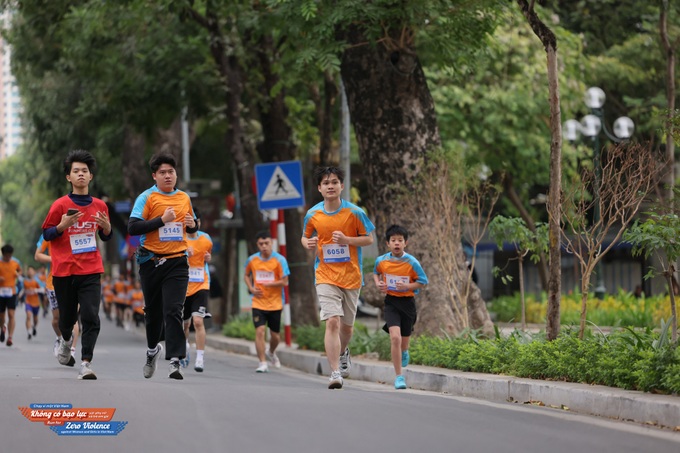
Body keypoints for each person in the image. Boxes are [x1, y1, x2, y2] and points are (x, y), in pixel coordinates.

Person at [302, 166, 375, 389]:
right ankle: (335, 372)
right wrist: (309, 243)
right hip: (324, 274)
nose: (330, 186)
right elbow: (304, 238)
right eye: (326, 183)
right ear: (319, 188)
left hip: (351, 276)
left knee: (347, 328)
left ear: (342, 186)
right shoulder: (313, 214)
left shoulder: (355, 212)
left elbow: (368, 239)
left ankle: (343, 353)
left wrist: (347, 240)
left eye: (334, 182)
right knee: (332, 321)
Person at [41, 149, 112, 379]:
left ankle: (86, 363)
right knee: (67, 319)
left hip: (91, 269)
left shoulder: (100, 206)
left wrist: (108, 229)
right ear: (68, 177)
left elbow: (105, 235)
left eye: (85, 171)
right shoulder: (60, 205)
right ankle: (65, 340)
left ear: (91, 176)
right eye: (76, 171)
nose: (81, 174)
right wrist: (62, 226)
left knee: (91, 315)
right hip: (64, 271)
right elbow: (47, 234)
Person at [128, 152, 197, 380]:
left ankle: (176, 360)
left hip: (177, 262)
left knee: (173, 310)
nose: (168, 176)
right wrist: (161, 220)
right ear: (154, 176)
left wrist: (192, 225)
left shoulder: (184, 198)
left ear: (176, 175)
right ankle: (152, 350)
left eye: (171, 172)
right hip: (151, 262)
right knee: (154, 313)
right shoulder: (147, 198)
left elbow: (191, 226)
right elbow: (133, 227)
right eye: (163, 173)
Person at [373, 225, 428, 390]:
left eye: (400, 240)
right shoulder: (381, 261)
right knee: (395, 338)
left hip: (408, 304)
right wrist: (379, 284)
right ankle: (399, 377)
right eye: (393, 240)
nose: (397, 243)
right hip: (391, 303)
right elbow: (376, 272)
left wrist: (407, 286)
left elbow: (423, 282)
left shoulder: (412, 262)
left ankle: (405, 351)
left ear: (406, 243)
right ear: (387, 243)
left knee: (404, 342)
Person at [244, 230, 290, 373]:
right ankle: (262, 362)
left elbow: (284, 281)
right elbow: (246, 275)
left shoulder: (280, 260)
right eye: (261, 244)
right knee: (260, 331)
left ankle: (271, 352)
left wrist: (270, 283)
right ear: (257, 245)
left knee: (275, 336)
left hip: (275, 303)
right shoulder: (252, 260)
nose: (264, 246)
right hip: (258, 302)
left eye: (267, 243)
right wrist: (251, 288)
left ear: (272, 243)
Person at [35, 236, 80, 359]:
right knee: (56, 320)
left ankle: (71, 350)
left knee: (73, 317)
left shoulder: (78, 229)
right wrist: (56, 259)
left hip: (75, 278)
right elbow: (37, 255)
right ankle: (60, 338)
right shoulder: (49, 234)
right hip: (53, 281)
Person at [181, 208, 213, 372]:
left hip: (201, 284)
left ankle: (200, 358)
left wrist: (208, 258)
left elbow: (208, 256)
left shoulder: (206, 239)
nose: (193, 223)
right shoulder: (181, 240)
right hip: (184, 286)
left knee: (198, 321)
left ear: (198, 222)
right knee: (185, 325)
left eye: (195, 220)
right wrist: (184, 253)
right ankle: (185, 348)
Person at [0, 244, 21, 347]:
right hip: (1, 292)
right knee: (1, 315)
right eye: (6, 256)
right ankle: (3, 327)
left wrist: (18, 274)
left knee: (11, 315)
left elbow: (19, 271)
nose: (8, 258)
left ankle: (10, 337)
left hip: (11, 292)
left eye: (9, 256)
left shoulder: (15, 263)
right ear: (3, 254)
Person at [23, 266, 42, 340]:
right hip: (28, 302)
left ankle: (34, 326)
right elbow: (23, 290)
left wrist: (35, 290)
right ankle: (29, 332)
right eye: (29, 271)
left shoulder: (37, 280)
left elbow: (43, 289)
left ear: (34, 272)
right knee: (28, 316)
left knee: (35, 319)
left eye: (31, 270)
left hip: (36, 303)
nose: (30, 272)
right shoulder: (25, 281)